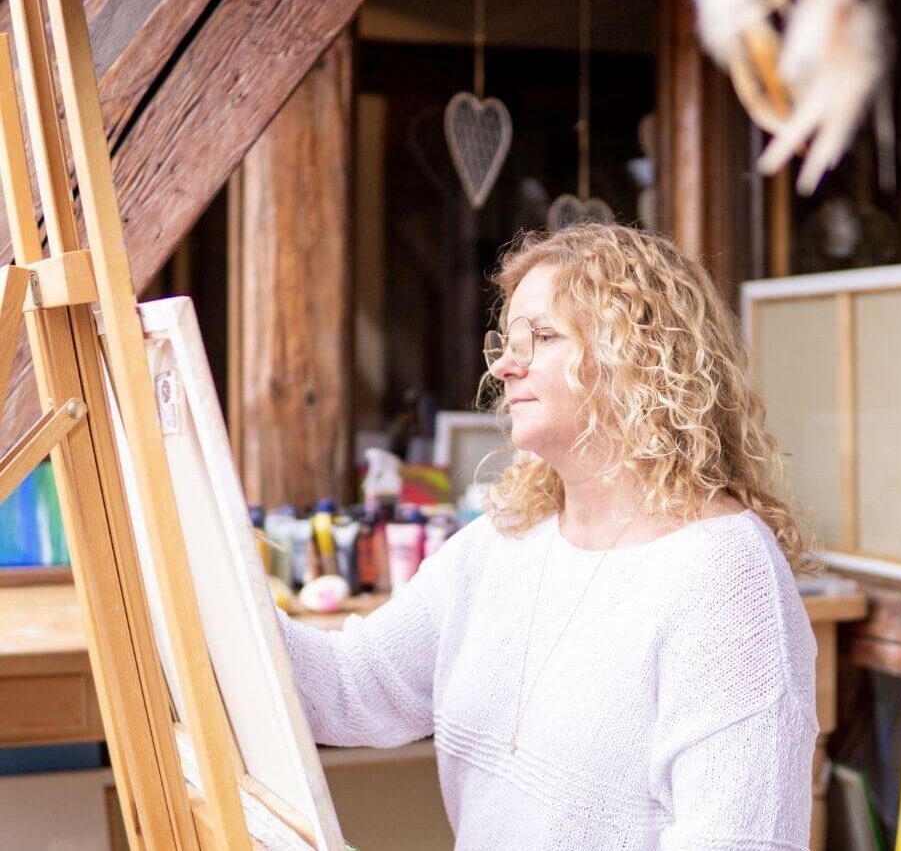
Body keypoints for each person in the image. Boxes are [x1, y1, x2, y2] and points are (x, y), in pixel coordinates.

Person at [279, 223, 818, 850]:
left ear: (637, 357)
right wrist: (201, 586)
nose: (507, 367)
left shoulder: (727, 578)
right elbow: (354, 688)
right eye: (506, 342)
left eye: (541, 338)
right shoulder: (503, 542)